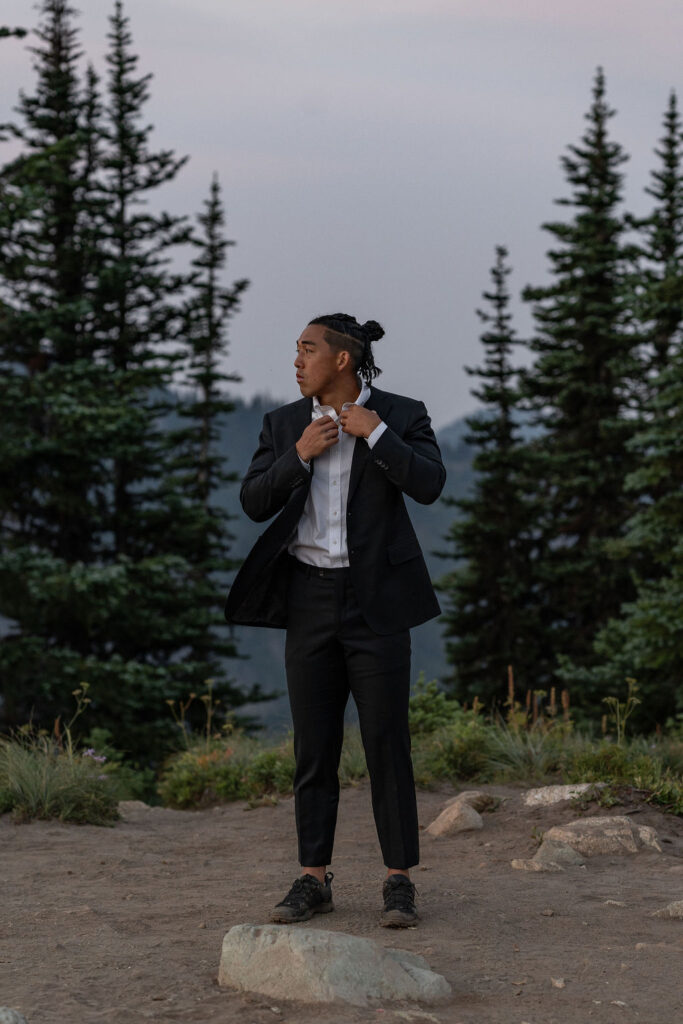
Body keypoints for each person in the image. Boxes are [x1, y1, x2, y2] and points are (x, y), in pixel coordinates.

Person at [225, 313, 446, 927]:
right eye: (295, 350)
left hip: (377, 606)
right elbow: (252, 501)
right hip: (308, 601)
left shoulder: (401, 415)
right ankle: (312, 877)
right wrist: (297, 456)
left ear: (342, 360)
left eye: (307, 349)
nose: (296, 361)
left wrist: (376, 436)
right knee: (314, 747)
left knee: (386, 742)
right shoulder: (283, 425)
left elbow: (430, 484)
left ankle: (399, 880)